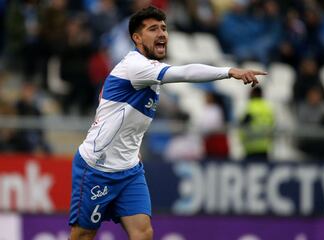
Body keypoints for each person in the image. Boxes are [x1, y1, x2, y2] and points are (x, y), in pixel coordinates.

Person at [68, 6, 267, 240]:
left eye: (164, 28)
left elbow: (127, 121)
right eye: (153, 29)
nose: (162, 33)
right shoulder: (136, 66)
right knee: (83, 235)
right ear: (137, 38)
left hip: (129, 169)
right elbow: (185, 72)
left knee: (143, 232)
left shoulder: (148, 73)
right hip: (97, 168)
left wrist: (130, 151)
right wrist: (229, 71)